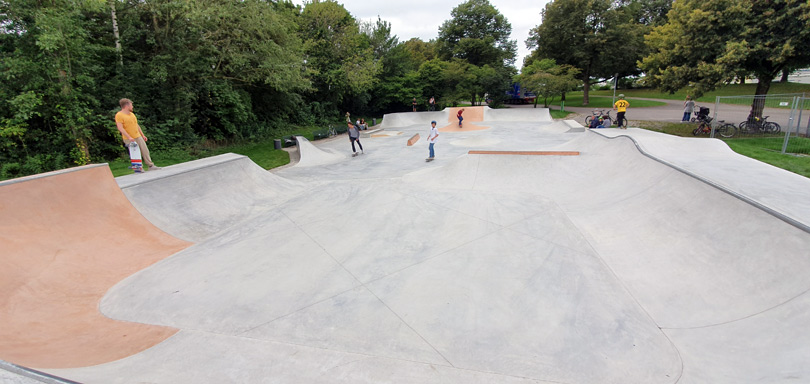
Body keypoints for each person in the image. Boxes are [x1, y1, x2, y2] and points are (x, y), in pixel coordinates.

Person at [115, 98, 160, 171]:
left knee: (145, 150)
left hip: (137, 136)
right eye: (131, 105)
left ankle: (150, 165)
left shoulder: (132, 114)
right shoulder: (119, 115)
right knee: (135, 153)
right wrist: (129, 137)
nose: (132, 107)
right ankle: (138, 167)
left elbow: (136, 125)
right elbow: (120, 128)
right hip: (128, 138)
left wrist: (142, 135)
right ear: (127, 105)